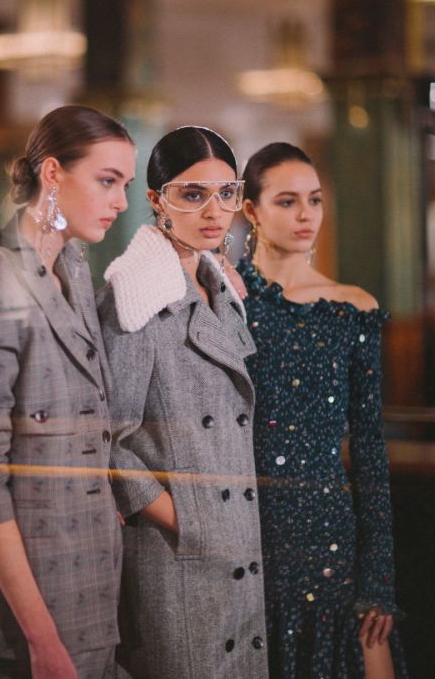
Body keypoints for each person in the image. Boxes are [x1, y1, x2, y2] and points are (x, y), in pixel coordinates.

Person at [0, 105, 136, 679]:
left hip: (93, 581)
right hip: (30, 610)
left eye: (125, 184)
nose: (122, 201)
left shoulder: (74, 269)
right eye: (108, 181)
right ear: (52, 173)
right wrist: (41, 638)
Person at [97, 126, 269, 679]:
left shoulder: (220, 289)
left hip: (235, 539)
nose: (214, 212)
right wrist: (186, 517)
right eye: (193, 194)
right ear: (157, 200)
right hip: (176, 555)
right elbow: (108, 440)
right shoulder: (136, 297)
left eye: (226, 193)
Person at [236, 142, 408, 678]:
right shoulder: (225, 303)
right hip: (249, 535)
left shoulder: (353, 307)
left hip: (331, 536)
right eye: (287, 201)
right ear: (251, 210)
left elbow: (371, 448)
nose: (306, 214)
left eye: (314, 199)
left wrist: (378, 575)